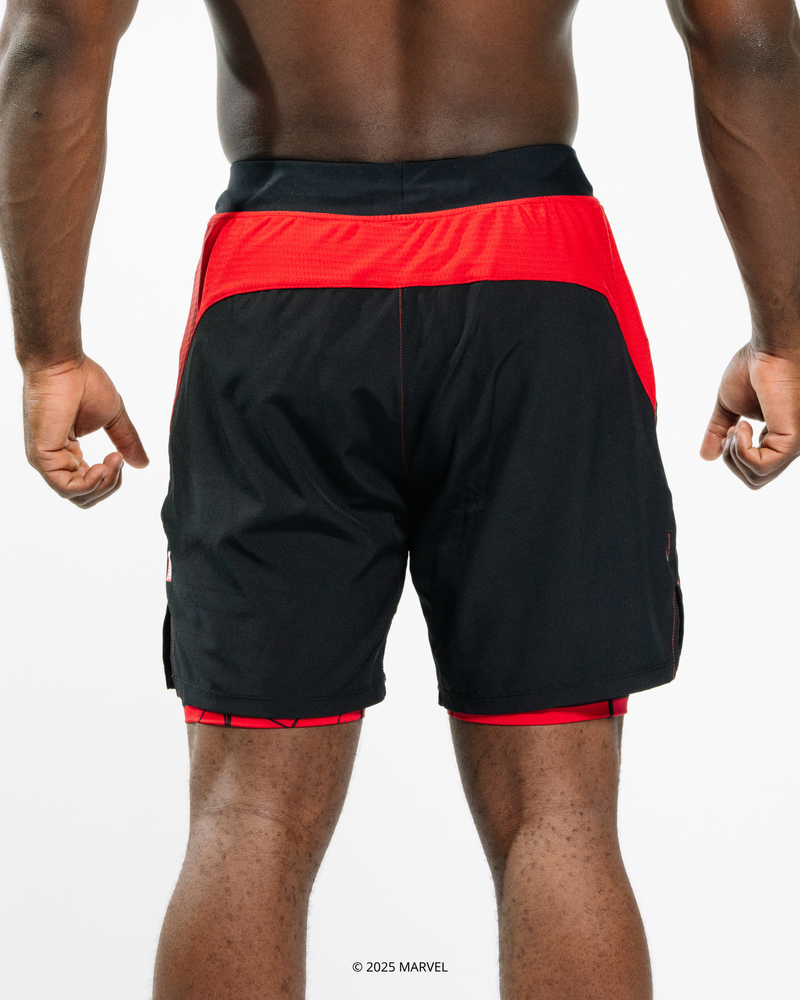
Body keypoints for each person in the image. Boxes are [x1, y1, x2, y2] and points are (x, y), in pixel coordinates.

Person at [1, 0, 799, 998]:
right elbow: (747, 32)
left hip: (282, 283)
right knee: (558, 812)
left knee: (248, 813)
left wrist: (49, 352)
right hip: (535, 281)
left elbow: (51, 34)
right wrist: (782, 336)